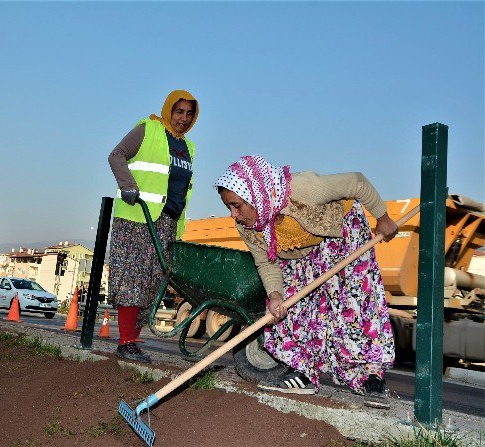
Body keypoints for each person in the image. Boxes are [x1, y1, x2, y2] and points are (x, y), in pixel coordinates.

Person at [214, 155, 398, 408]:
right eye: (228, 208)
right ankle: (303, 372)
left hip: (341, 235)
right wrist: (276, 294)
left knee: (354, 305)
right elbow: (267, 262)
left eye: (236, 205)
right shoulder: (248, 225)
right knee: (294, 306)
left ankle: (371, 376)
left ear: (256, 193)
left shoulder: (302, 189)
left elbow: (357, 182)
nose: (233, 215)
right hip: (301, 251)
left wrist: (383, 217)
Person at [108, 89, 199, 363]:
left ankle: (134, 337)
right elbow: (116, 155)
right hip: (138, 217)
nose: (183, 118)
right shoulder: (147, 129)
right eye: (179, 111)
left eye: (189, 113)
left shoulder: (188, 147)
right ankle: (125, 342)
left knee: (153, 282)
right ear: (169, 110)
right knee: (133, 278)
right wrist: (128, 186)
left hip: (167, 222)